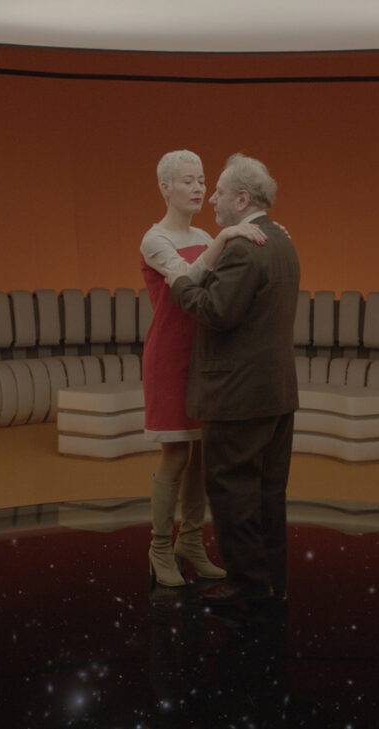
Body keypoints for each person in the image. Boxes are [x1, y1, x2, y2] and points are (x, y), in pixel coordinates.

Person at [170, 153, 300, 607]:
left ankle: (247, 588)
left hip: (237, 398)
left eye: (220, 193)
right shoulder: (282, 241)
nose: (212, 200)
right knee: (268, 497)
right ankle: (271, 583)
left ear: (242, 199)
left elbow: (216, 311)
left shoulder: (244, 248)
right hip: (275, 394)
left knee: (234, 497)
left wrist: (181, 284)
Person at [140, 150, 268, 588]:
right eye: (188, 181)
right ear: (165, 188)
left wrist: (263, 235)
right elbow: (188, 280)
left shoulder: (205, 234)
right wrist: (227, 236)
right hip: (169, 358)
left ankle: (191, 542)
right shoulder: (154, 239)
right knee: (175, 453)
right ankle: (160, 548)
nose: (198, 189)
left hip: (205, 356)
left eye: (201, 181)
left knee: (200, 454)